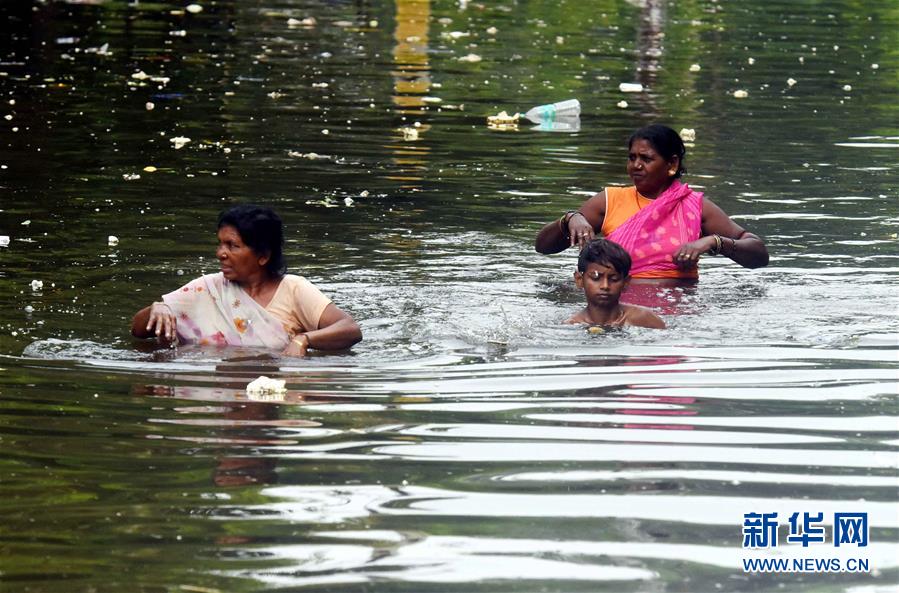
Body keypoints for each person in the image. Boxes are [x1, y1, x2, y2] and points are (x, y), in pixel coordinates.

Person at [535, 125, 768, 279]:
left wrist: (713, 242)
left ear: (672, 164)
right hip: (616, 309)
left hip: (679, 314)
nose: (635, 166)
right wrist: (569, 219)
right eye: (632, 158)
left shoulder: (694, 206)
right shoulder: (610, 201)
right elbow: (543, 248)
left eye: (646, 159)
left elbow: (758, 254)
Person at [131, 205, 362, 357]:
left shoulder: (293, 289)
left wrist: (303, 340)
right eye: (220, 243)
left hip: (271, 387)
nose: (220, 253)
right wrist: (157, 308)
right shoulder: (208, 288)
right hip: (224, 387)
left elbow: (350, 329)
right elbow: (138, 330)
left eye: (232, 246)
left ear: (263, 256)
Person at [566, 239, 665, 329]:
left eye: (614, 279)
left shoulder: (644, 319)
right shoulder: (571, 325)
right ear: (579, 280)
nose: (605, 286)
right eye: (595, 278)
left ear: (625, 283)